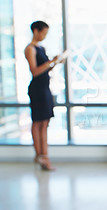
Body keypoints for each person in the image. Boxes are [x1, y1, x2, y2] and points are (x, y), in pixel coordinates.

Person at [24, 21, 62, 171]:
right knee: (38, 122)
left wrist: (55, 63)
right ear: (35, 31)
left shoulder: (41, 48)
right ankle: (41, 156)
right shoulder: (30, 49)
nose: (44, 36)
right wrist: (51, 62)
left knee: (45, 122)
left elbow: (45, 70)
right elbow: (35, 71)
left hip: (45, 88)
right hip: (37, 90)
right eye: (43, 33)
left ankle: (42, 155)